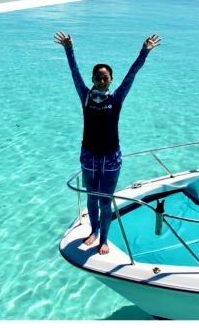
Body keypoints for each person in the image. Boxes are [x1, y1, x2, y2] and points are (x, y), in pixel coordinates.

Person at [54, 32, 161, 255]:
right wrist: (68, 49)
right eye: (97, 78)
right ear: (93, 79)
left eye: (105, 78)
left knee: (105, 200)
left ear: (111, 79)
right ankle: (93, 231)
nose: (101, 81)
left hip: (112, 157)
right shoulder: (85, 96)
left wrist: (144, 51)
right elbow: (74, 73)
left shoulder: (117, 98)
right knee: (92, 197)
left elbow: (132, 74)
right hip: (89, 155)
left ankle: (104, 238)